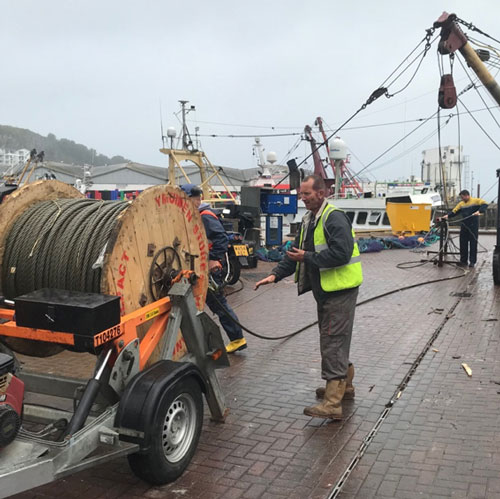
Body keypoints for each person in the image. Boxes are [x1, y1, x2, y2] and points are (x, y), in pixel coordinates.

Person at [255, 175, 362, 420]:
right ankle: (345, 387)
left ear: (321, 194)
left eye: (306, 194)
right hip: (325, 290)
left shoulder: (334, 218)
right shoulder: (309, 219)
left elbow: (342, 254)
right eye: (301, 195)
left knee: (332, 340)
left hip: (339, 290)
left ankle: (333, 403)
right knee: (334, 339)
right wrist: (275, 274)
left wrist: (308, 258)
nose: (302, 199)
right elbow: (295, 252)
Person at [180, 184, 247, 353]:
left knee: (218, 304)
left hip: (210, 269)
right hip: (199, 268)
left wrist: (214, 259)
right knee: (204, 304)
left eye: (186, 199)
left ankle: (237, 339)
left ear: (196, 199)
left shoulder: (205, 216)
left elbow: (221, 238)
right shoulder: (192, 216)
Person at [441, 189, 488, 268]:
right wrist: (448, 216)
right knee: (463, 243)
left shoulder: (476, 201)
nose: (462, 199)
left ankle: (472, 262)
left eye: (462, 197)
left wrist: (479, 211)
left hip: (473, 226)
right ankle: (463, 261)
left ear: (467, 195)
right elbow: (455, 211)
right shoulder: (461, 204)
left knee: (473, 244)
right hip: (464, 225)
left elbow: (485, 204)